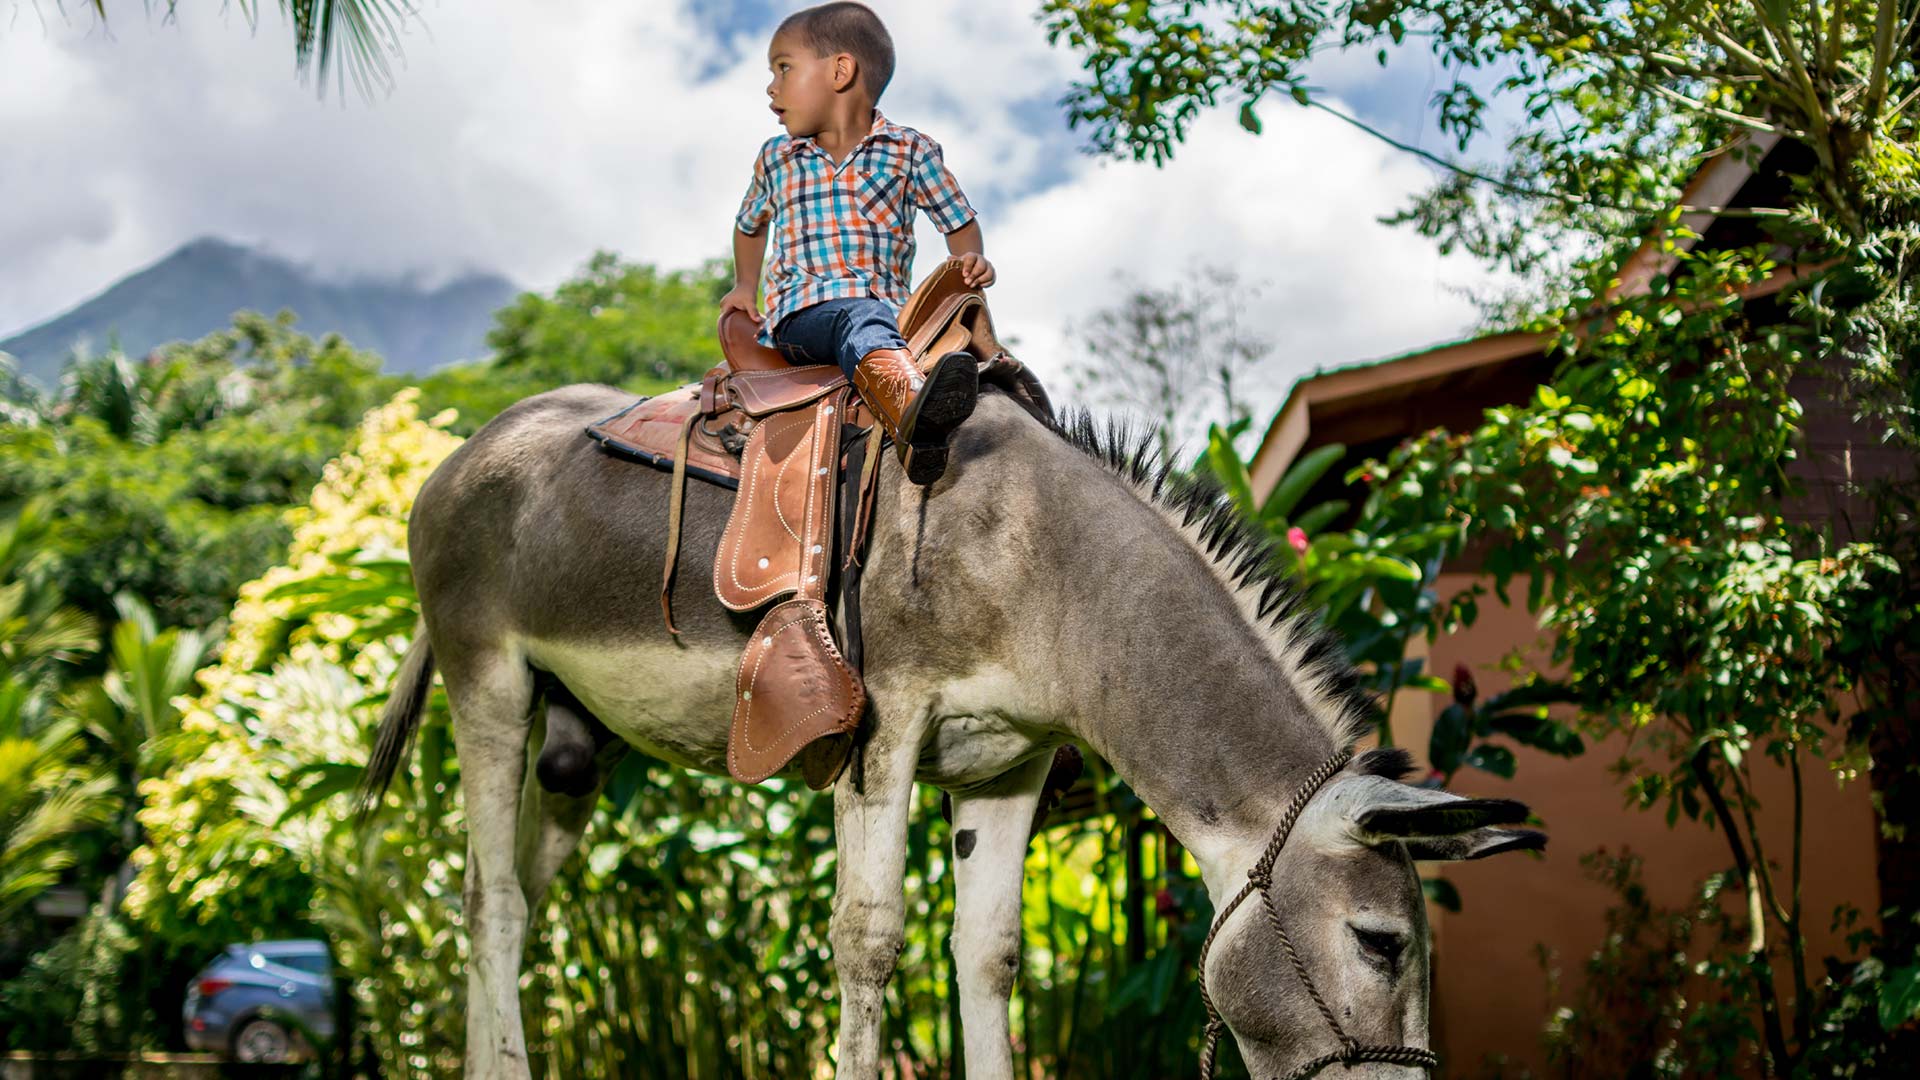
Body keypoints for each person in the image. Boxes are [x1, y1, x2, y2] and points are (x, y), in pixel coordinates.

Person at [720, 1, 993, 486]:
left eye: (784, 68)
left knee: (889, 323)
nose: (771, 86)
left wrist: (969, 260)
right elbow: (750, 224)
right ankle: (911, 410)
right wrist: (745, 286)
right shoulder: (776, 158)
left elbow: (957, 221)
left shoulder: (911, 151)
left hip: (891, 315)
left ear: (840, 71)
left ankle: (928, 429)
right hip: (802, 317)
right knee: (857, 315)